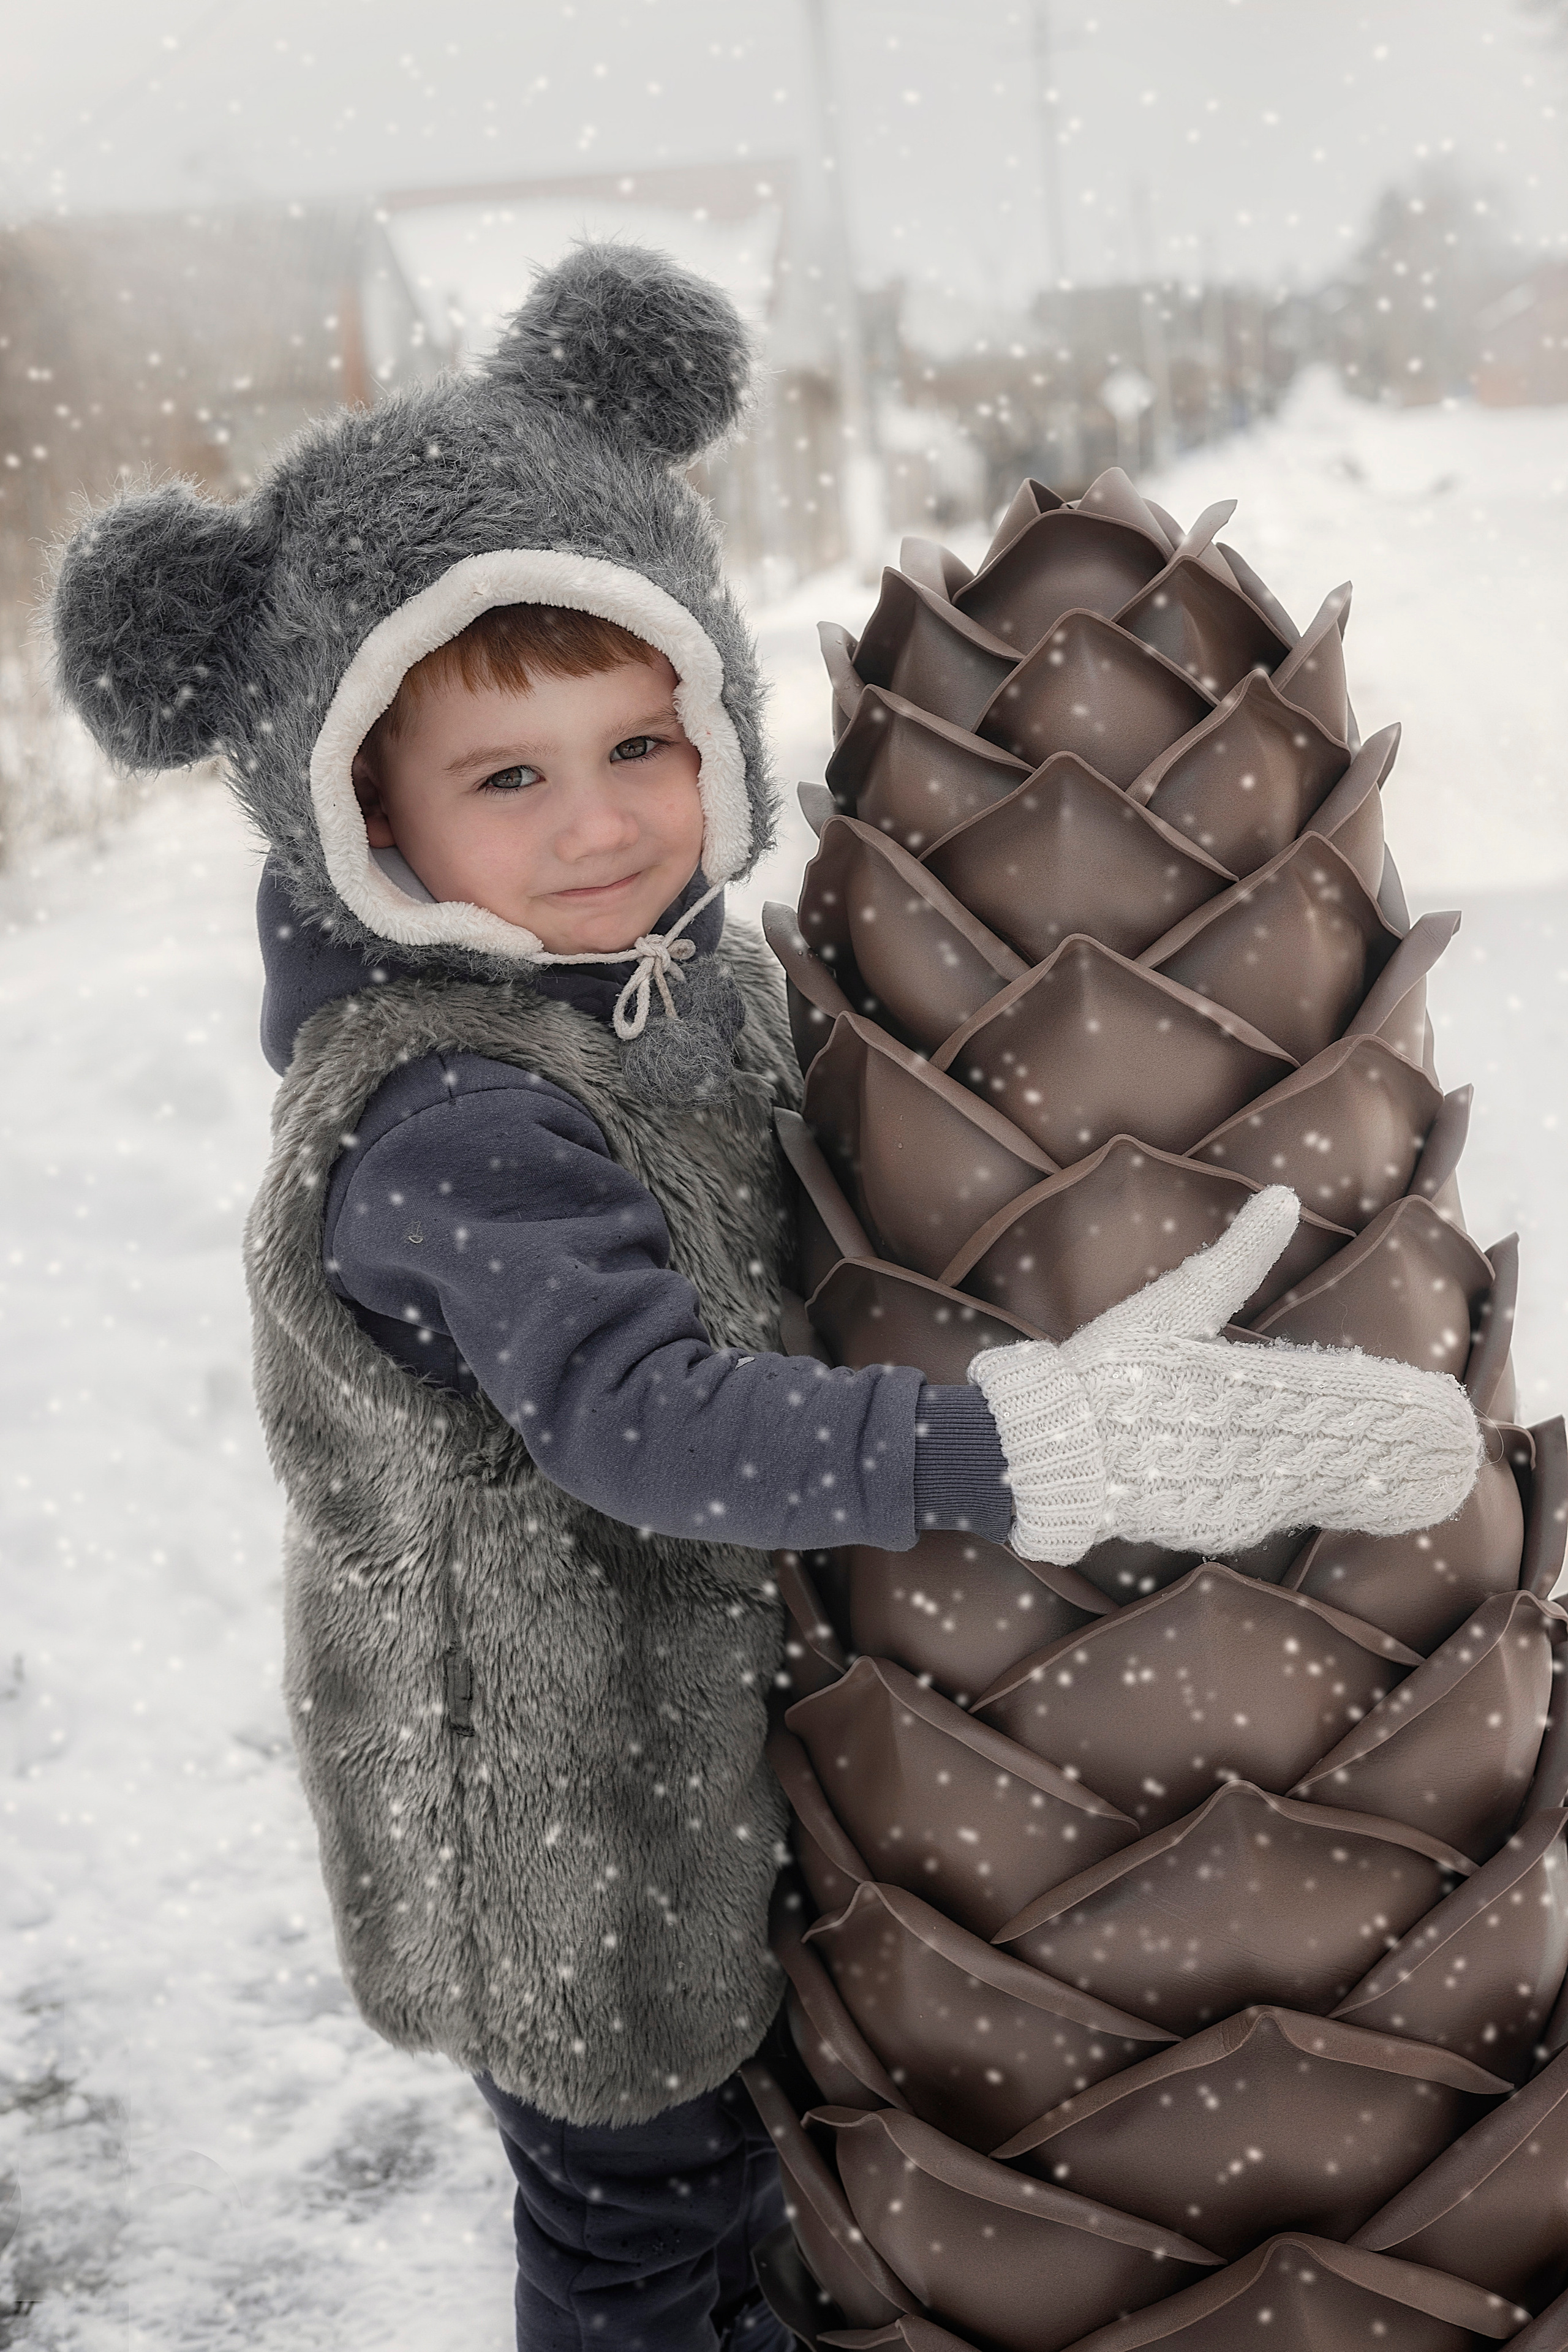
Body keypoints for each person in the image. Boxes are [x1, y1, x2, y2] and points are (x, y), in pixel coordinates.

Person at [49, 245, 1481, 2352]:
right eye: (506, 779)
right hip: (573, 1837)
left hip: (735, 1769)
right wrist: (1028, 1446)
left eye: (641, 739)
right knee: (649, 2240)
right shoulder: (448, 1120)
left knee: (781, 2213)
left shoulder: (681, 990)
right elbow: (646, 1424)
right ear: (361, 819)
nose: (601, 822)